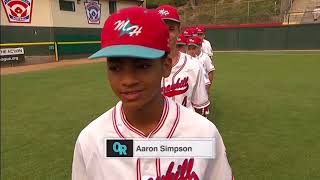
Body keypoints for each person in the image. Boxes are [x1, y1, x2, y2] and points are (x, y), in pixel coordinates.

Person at [72, 6, 233, 180]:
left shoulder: (203, 134)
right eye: (116, 67)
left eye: (142, 66)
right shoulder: (91, 141)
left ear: (166, 66)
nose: (128, 80)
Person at [156, 5, 210, 116]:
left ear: (178, 31)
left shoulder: (194, 65)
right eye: (159, 28)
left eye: (171, 29)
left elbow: (200, 107)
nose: (166, 34)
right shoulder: (142, 67)